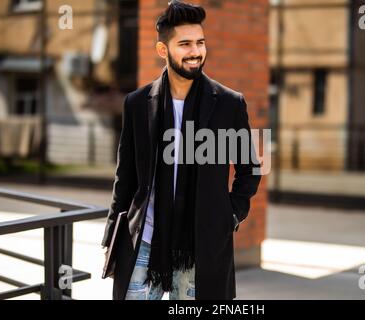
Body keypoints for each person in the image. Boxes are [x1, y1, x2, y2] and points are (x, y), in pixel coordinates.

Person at [101, 0, 261, 300]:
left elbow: (249, 170)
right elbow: (125, 176)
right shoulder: (137, 103)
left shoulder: (228, 104)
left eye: (200, 43)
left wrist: (230, 215)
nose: (195, 52)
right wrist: (113, 234)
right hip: (146, 240)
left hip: (200, 244)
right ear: (163, 50)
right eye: (185, 44)